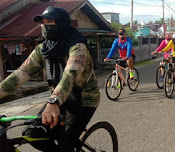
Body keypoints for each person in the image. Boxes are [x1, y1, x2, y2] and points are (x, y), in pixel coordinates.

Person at [0, 6, 100, 151]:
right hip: (59, 99)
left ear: (62, 24)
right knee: (32, 133)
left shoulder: (78, 48)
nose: (45, 26)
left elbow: (69, 76)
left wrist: (53, 102)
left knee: (66, 142)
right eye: (42, 22)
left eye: (49, 22)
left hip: (83, 99)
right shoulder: (43, 49)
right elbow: (20, 74)